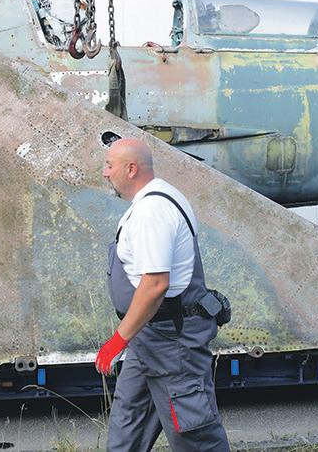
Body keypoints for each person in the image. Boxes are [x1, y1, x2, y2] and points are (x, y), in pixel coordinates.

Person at [96, 137, 229, 452]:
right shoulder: (154, 199)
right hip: (149, 336)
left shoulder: (152, 211)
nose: (105, 173)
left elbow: (156, 284)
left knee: (194, 434)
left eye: (109, 165)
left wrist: (118, 340)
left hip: (171, 343)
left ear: (131, 169)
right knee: (128, 421)